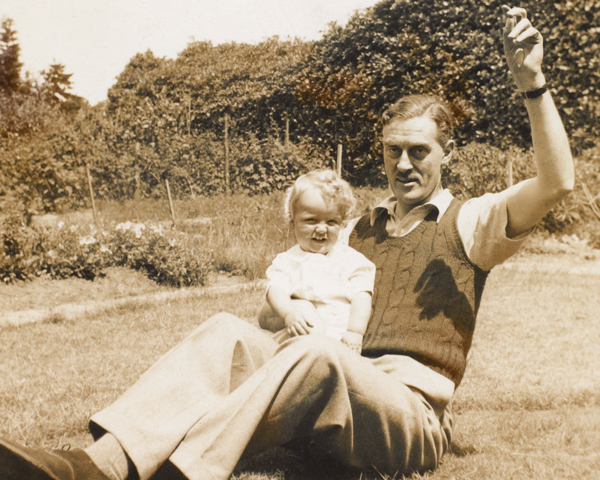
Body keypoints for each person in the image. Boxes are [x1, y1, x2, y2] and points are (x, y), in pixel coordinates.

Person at [0, 5, 574, 480]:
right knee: (229, 333)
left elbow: (556, 183)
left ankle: (179, 470)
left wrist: (534, 85)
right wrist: (285, 304)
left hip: (408, 417)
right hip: (328, 389)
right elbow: (276, 321)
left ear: (445, 155)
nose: (403, 163)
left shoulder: (470, 223)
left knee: (319, 354)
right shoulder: (356, 231)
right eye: (392, 150)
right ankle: (92, 467)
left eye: (419, 151)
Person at [265, 169, 376, 353]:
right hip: (298, 337)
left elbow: (362, 297)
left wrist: (355, 332)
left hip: (340, 341)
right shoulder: (287, 261)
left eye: (331, 222)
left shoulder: (350, 260)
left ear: (342, 224)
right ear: (293, 222)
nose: (322, 229)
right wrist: (289, 313)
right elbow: (275, 291)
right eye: (311, 220)